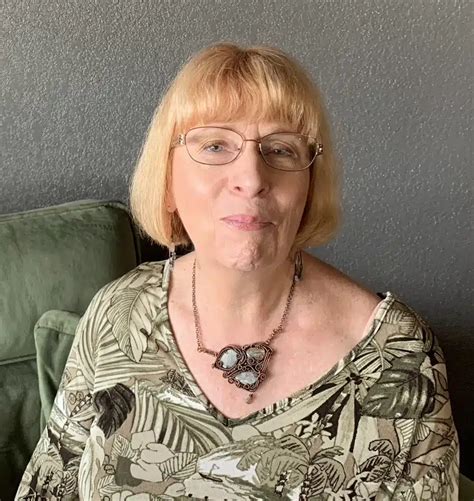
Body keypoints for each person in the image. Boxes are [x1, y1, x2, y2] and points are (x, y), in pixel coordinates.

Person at [16, 42, 459, 500]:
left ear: (309, 187)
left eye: (281, 149)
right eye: (214, 145)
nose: (251, 178)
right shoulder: (117, 313)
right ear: (168, 180)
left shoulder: (399, 356)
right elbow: (49, 487)